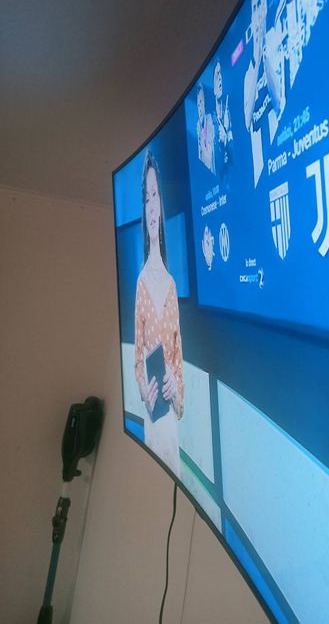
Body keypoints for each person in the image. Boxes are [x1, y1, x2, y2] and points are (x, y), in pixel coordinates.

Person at [134, 150, 184, 477]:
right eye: (147, 198)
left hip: (170, 426)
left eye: (156, 196)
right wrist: (144, 389)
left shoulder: (171, 284)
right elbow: (138, 361)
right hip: (151, 420)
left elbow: (178, 359)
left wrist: (174, 389)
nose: (152, 206)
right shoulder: (140, 284)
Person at [243, 0, 285, 188]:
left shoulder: (276, 38)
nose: (258, 11)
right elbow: (247, 119)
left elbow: (279, 102)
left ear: (266, 6)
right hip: (261, 180)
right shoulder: (248, 75)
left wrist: (265, 55)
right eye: (254, 8)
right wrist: (257, 56)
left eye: (260, 4)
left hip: (281, 160)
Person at [212, 60, 234, 185]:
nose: (220, 78)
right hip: (222, 186)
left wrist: (227, 140)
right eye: (217, 75)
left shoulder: (230, 110)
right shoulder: (212, 123)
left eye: (221, 74)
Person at [196, 82, 215, 174]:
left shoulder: (211, 121)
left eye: (201, 102)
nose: (200, 108)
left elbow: (209, 161)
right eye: (198, 105)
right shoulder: (198, 128)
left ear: (205, 103)